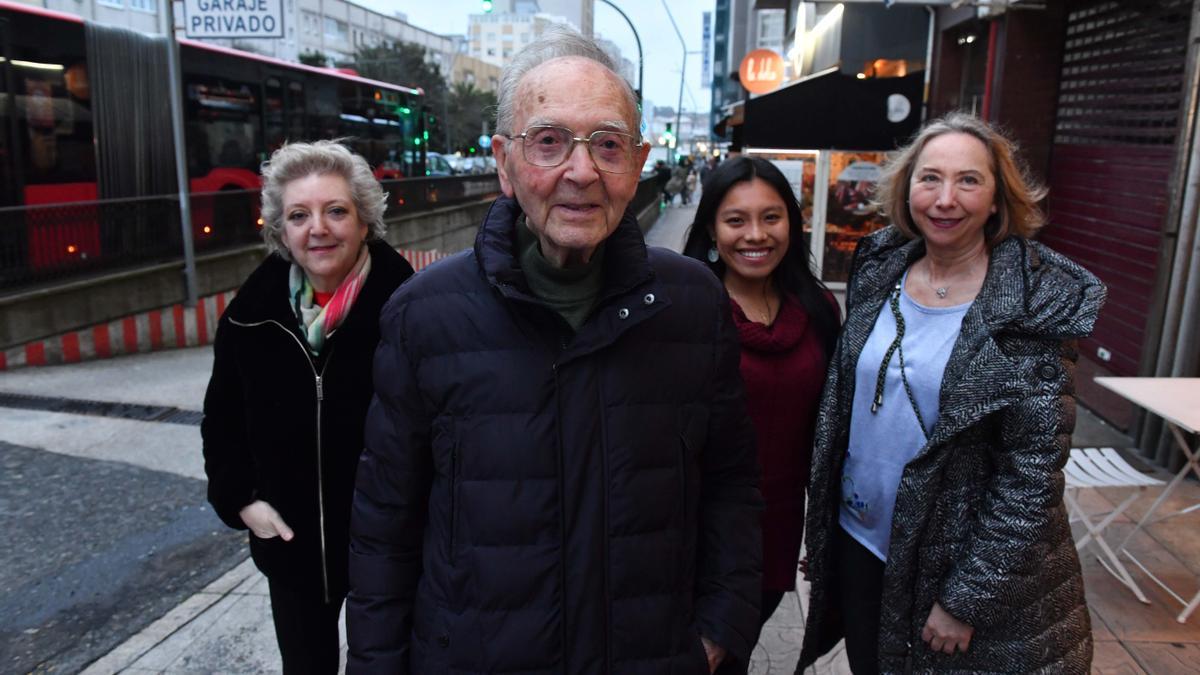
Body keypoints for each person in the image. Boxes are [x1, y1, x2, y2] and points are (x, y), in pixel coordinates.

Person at [347, 27, 762, 675]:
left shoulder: (692, 302)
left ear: (638, 160)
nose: (581, 170)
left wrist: (719, 628)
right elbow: (384, 525)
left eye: (607, 143)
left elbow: (732, 483)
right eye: (549, 141)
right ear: (504, 164)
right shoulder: (424, 314)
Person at [797, 112, 1104, 674]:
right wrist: (824, 534)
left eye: (968, 180)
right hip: (862, 540)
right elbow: (848, 414)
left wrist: (967, 598)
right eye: (930, 178)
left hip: (953, 563)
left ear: (997, 200)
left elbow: (1031, 474)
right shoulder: (880, 268)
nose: (945, 198)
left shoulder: (1031, 305)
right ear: (907, 188)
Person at [201, 140, 414, 674]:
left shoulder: (412, 311)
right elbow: (221, 421)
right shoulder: (248, 319)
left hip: (388, 553)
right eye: (299, 215)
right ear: (281, 230)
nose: (317, 228)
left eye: (335, 210)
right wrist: (243, 500)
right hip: (293, 551)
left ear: (364, 221)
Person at [682, 156, 840, 672]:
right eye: (736, 220)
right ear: (711, 228)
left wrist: (823, 532)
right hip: (694, 536)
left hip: (777, 531)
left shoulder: (819, 310)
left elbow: (832, 430)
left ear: (792, 225)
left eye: (771, 217)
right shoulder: (682, 310)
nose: (756, 234)